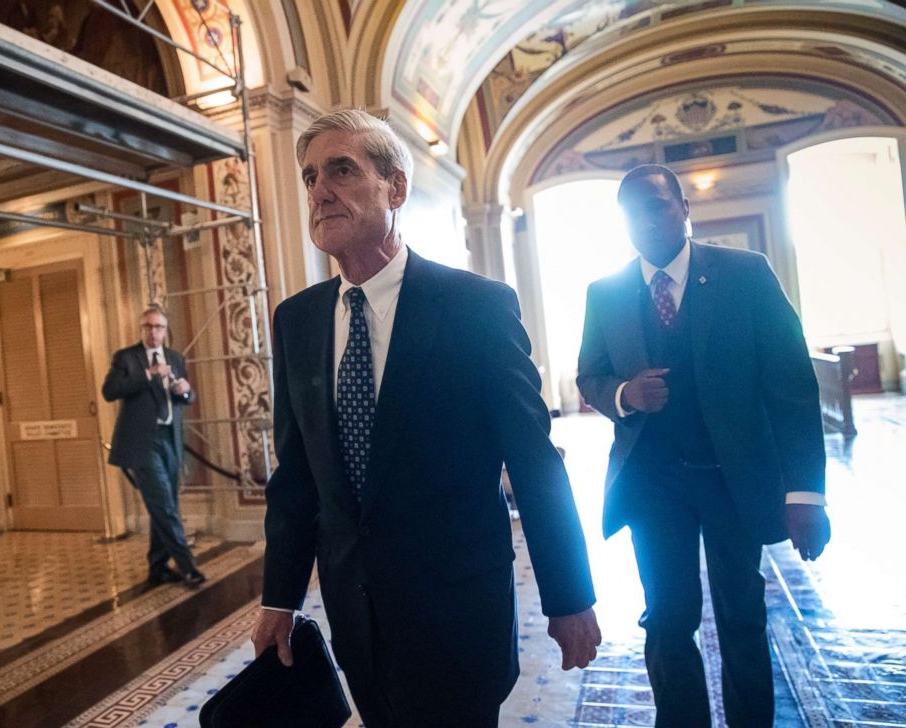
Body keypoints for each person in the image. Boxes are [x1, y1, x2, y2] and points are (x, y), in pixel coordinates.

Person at [251, 109, 601, 727]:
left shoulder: (475, 307)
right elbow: (298, 474)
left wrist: (569, 595)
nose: (320, 191)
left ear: (396, 187)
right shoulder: (297, 321)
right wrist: (279, 596)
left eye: (341, 170)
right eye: (309, 177)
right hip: (355, 614)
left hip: (457, 611)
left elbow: (533, 459)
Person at [577, 164, 831, 727]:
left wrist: (806, 495)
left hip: (733, 477)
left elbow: (791, 385)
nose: (646, 221)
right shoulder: (607, 292)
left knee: (741, 614)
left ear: (684, 209)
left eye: (657, 206)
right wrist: (623, 393)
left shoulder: (746, 274)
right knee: (667, 619)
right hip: (653, 484)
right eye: (632, 213)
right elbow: (589, 376)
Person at [102, 305, 205, 589]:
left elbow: (187, 397)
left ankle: (158, 568)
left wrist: (185, 392)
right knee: (164, 505)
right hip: (141, 443)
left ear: (165, 330)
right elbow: (109, 392)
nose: (153, 332)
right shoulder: (126, 357)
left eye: (159, 327)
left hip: (169, 440)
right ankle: (189, 567)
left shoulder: (175, 358)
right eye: (148, 326)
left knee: (165, 504)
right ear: (141, 329)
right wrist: (148, 374)